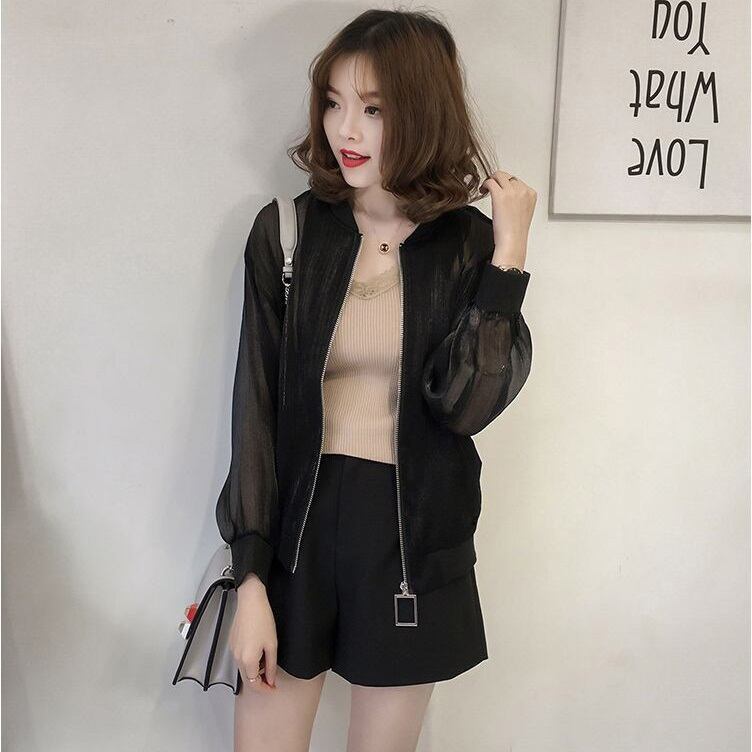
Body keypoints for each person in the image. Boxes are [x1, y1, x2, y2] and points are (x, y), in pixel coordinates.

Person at [217, 9, 537, 751]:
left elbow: (466, 406)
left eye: (373, 109)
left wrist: (510, 256)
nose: (345, 131)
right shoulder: (288, 233)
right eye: (333, 103)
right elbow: (255, 408)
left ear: (421, 112)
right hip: (296, 536)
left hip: (410, 543)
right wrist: (251, 580)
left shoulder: (468, 245)